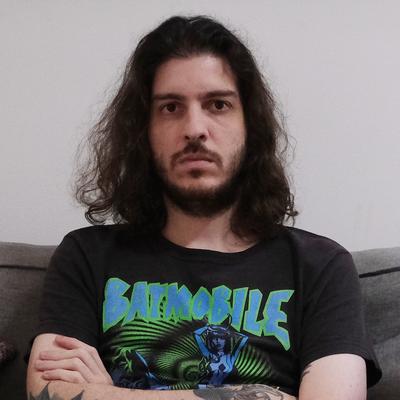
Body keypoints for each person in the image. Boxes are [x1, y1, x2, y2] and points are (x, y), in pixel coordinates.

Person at [26, 15, 381, 400]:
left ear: (250, 125)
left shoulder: (319, 267)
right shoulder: (87, 256)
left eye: (218, 104)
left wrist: (107, 394)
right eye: (170, 108)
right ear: (143, 131)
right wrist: (254, 395)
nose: (194, 129)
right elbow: (46, 391)